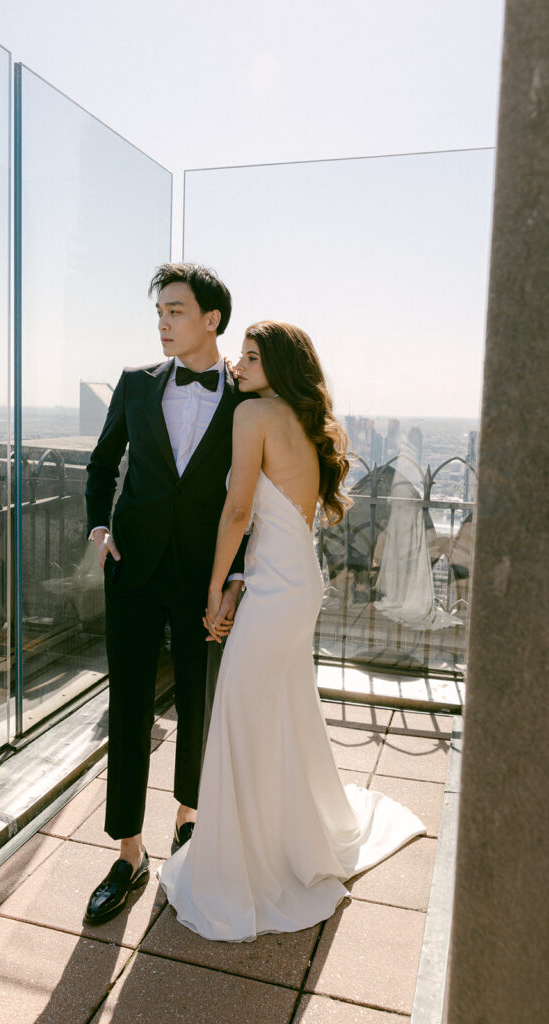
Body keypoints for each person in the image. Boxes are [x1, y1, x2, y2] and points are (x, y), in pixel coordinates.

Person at [158, 321, 426, 941]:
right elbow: (283, 524)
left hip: (276, 588)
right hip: (292, 581)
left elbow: (241, 510)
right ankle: (278, 838)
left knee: (242, 715)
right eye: (240, 356)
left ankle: (251, 863)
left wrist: (214, 583)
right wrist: (239, 584)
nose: (239, 365)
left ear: (277, 366)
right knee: (274, 712)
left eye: (252, 357)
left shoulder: (252, 416)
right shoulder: (302, 420)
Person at [83, 263, 248, 923]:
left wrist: (236, 575)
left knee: (198, 703)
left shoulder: (246, 395)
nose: (163, 323)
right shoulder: (133, 384)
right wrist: (99, 527)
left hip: (206, 576)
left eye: (176, 311)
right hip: (133, 571)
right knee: (127, 709)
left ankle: (188, 820)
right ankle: (127, 853)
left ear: (211, 319)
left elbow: (255, 491)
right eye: (159, 312)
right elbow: (102, 464)